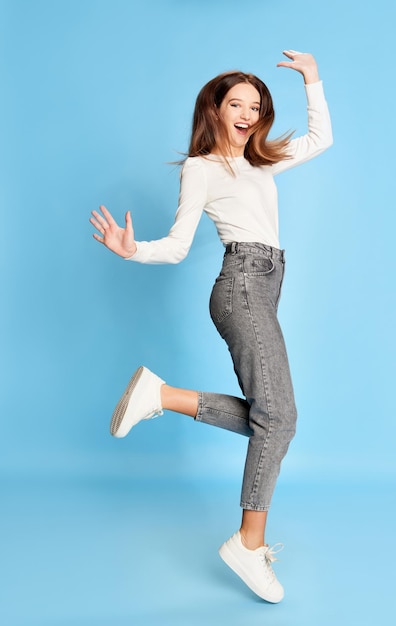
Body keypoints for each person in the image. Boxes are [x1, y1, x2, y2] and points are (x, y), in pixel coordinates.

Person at [89, 50, 332, 604]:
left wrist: (312, 80)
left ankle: (162, 394)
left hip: (264, 285)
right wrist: (132, 251)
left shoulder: (263, 160)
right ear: (215, 110)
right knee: (282, 416)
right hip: (241, 284)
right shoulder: (202, 168)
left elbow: (320, 140)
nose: (247, 113)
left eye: (256, 105)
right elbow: (177, 246)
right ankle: (249, 543)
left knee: (275, 418)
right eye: (235, 104)